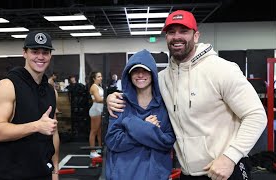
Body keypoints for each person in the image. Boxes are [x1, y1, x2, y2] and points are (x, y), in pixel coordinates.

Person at [106, 10, 267, 180]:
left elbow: (256, 115)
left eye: (183, 31)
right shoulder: (162, 79)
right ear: (166, 37)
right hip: (188, 173)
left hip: (225, 170)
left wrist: (230, 157)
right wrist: (113, 97)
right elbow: (138, 89)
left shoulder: (222, 69)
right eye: (171, 32)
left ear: (196, 36)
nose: (177, 37)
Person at [0, 31, 60, 180]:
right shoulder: (7, 85)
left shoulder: (51, 91)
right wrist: (36, 126)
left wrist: (55, 170)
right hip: (11, 174)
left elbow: (53, 132)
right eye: (34, 51)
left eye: (45, 52)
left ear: (50, 56)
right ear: (24, 53)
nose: (40, 57)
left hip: (42, 172)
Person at [105, 49, 175, 180]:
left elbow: (168, 141)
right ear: (129, 75)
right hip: (124, 174)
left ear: (153, 74)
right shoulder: (119, 103)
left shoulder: (164, 105)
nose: (140, 75)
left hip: (155, 175)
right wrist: (145, 128)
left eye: (145, 70)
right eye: (136, 71)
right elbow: (113, 140)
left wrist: (132, 125)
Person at [88, 71, 104, 158]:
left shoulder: (99, 87)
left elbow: (98, 99)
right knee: (94, 131)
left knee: (99, 131)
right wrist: (108, 98)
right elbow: (98, 99)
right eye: (98, 77)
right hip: (96, 110)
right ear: (94, 78)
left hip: (99, 110)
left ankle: (99, 148)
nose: (100, 78)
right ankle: (92, 152)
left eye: (101, 76)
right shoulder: (94, 87)